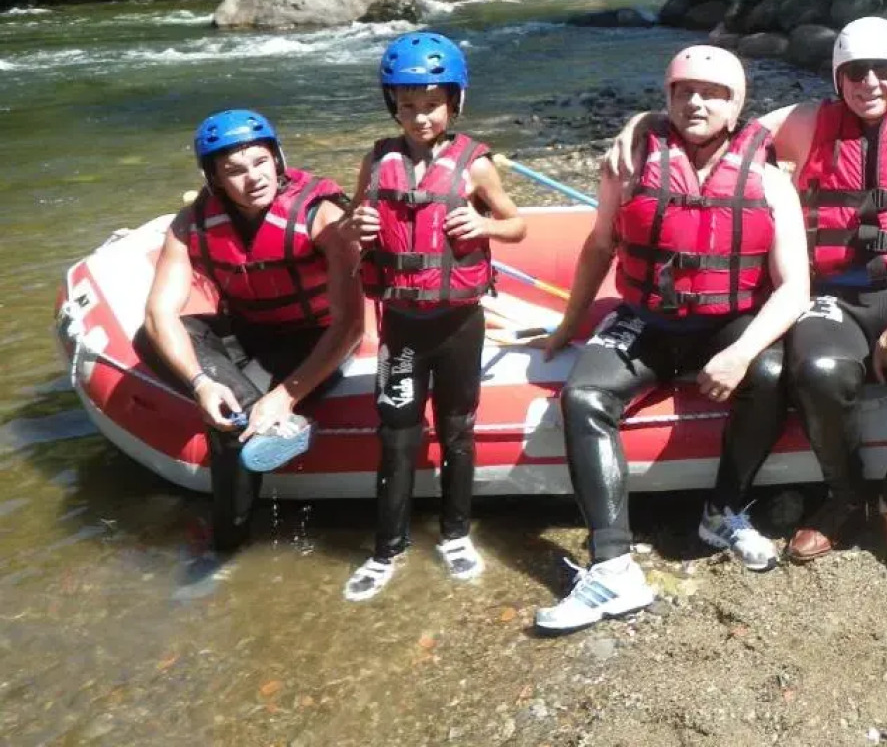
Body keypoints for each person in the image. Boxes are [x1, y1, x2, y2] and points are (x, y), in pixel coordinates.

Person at [607, 17, 887, 579]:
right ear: (839, 76)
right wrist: (644, 125)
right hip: (831, 294)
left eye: (884, 72)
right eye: (857, 72)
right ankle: (846, 496)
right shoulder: (805, 122)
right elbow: (718, 123)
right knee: (821, 371)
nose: (871, 83)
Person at [535, 46, 810, 634]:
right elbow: (599, 246)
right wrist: (568, 324)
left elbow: (794, 289)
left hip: (727, 322)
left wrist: (738, 354)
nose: (696, 102)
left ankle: (724, 509)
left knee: (766, 374)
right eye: (684, 91)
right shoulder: (632, 163)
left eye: (713, 94)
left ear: (737, 108)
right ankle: (612, 567)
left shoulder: (768, 179)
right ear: (667, 99)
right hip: (649, 318)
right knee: (583, 397)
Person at [342, 31, 527, 601]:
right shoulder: (376, 160)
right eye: (407, 106)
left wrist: (485, 226)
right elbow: (355, 219)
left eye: (431, 105)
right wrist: (359, 227)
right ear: (391, 105)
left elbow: (516, 224)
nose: (420, 118)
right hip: (400, 324)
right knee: (396, 435)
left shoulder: (476, 168)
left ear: (455, 103)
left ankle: (454, 535)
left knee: (456, 431)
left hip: (458, 325)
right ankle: (386, 549)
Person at [140, 109, 363, 551]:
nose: (253, 178)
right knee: (151, 339)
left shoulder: (321, 218)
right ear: (215, 179)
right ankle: (246, 413)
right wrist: (201, 383)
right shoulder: (190, 224)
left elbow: (351, 326)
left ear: (278, 159)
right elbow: (158, 315)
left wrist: (285, 396)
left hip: (313, 340)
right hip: (249, 335)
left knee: (229, 429)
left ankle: (228, 544)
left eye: (261, 162)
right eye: (234, 171)